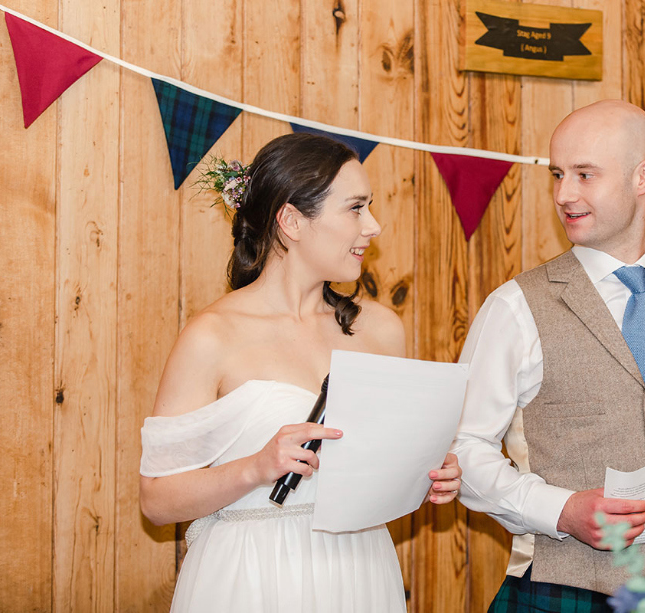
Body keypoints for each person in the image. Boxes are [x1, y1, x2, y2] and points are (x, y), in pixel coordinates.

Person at [452, 100, 645, 611]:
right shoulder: (514, 307)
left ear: (644, 176)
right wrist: (561, 511)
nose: (563, 194)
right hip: (562, 591)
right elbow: (463, 451)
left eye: (584, 174)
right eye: (557, 174)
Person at [139, 133, 461, 613]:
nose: (373, 226)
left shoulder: (382, 330)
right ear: (291, 221)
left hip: (360, 568)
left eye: (369, 206)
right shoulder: (213, 335)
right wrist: (255, 467)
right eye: (355, 208)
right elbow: (158, 501)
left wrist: (431, 471)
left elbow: (381, 460)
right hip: (252, 573)